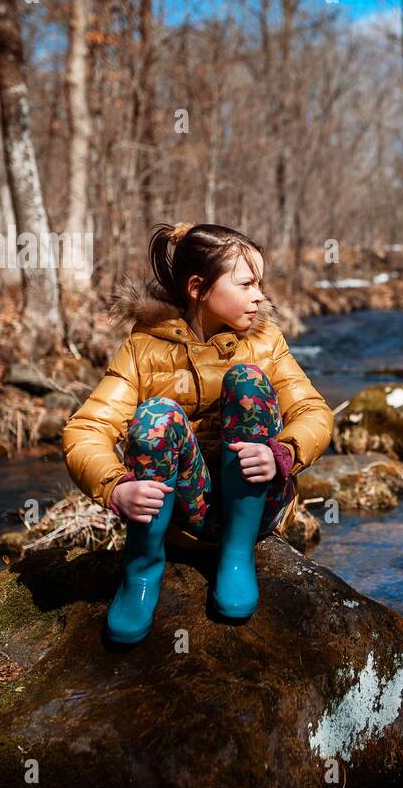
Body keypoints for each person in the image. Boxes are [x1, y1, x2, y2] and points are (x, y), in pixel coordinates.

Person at [62, 222, 333, 644]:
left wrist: (282, 453)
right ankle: (142, 572)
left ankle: (236, 557)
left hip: (258, 503)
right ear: (197, 287)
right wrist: (115, 488)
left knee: (248, 380)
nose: (259, 295)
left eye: (259, 283)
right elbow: (86, 429)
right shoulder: (143, 348)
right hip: (186, 512)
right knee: (157, 414)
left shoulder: (266, 341)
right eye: (246, 284)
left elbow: (313, 411)